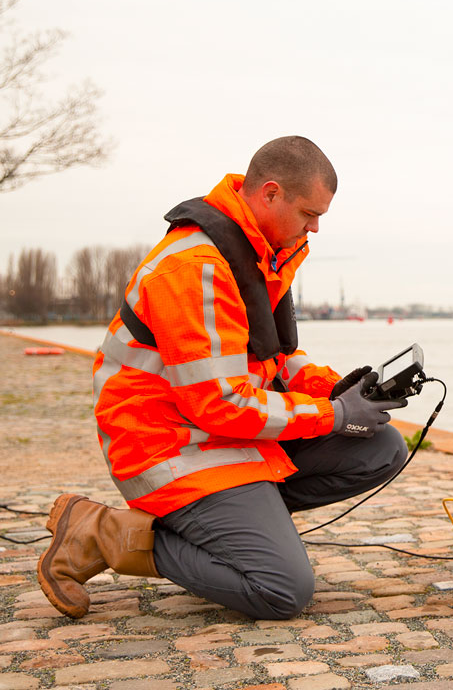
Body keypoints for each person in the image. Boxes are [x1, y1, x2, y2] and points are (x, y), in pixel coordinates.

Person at [38, 136, 409, 620]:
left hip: (221, 435)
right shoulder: (194, 269)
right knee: (281, 590)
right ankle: (102, 532)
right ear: (270, 193)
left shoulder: (263, 252)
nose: (314, 228)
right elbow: (221, 404)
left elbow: (273, 360)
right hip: (169, 448)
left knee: (383, 449)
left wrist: (337, 391)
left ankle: (239, 528)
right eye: (307, 213)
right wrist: (334, 415)